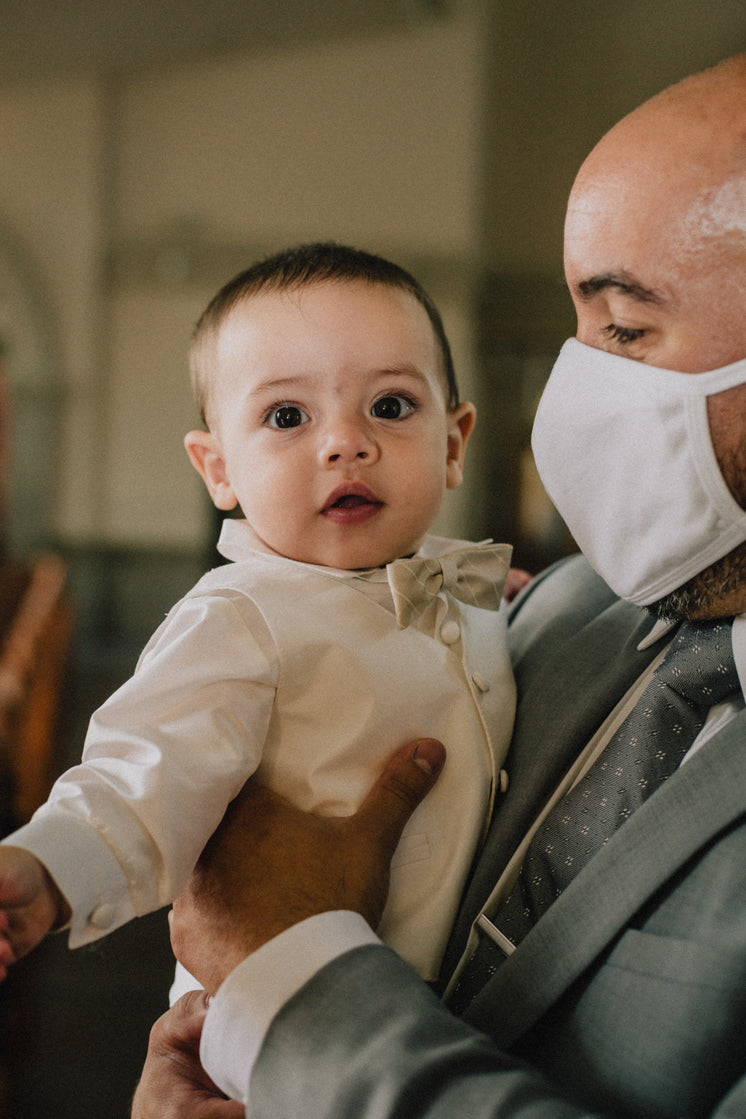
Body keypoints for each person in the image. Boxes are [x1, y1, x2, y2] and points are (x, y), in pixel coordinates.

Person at [136, 53, 746, 1119]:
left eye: (625, 328)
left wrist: (289, 989)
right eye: (578, 325)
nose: (581, 383)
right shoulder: (550, 613)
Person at [0, 243, 520, 997]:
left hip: (429, 1021)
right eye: (287, 415)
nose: (346, 440)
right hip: (273, 1022)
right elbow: (147, 771)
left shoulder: (471, 587)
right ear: (219, 469)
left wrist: (515, 605)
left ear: (452, 442)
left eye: (391, 405)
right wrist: (49, 868)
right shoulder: (240, 617)